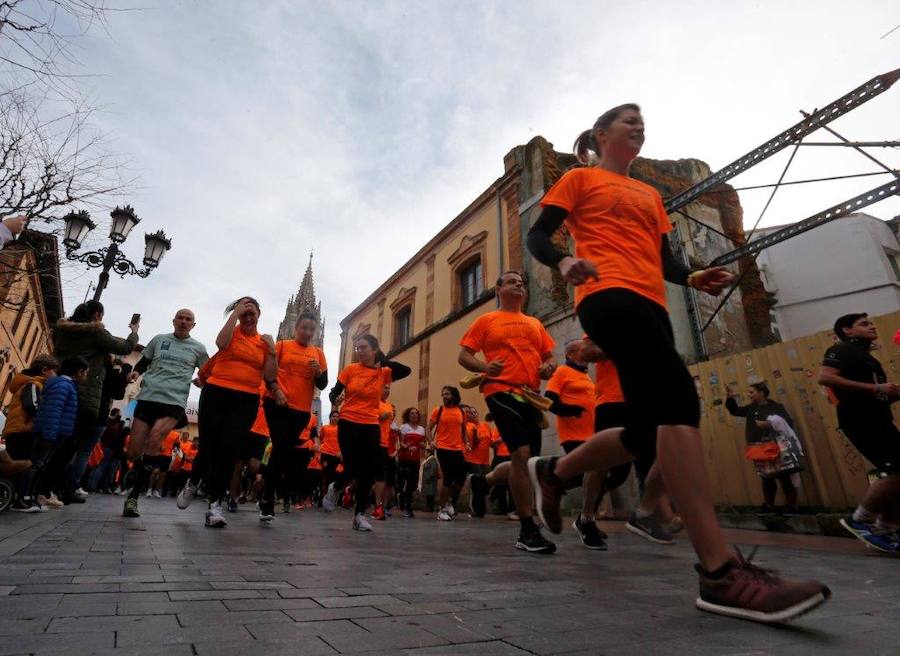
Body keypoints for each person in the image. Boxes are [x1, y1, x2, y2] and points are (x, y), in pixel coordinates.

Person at [525, 103, 829, 620]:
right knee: (679, 402)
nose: (640, 127)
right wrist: (565, 258)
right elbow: (538, 234)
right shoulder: (579, 179)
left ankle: (556, 472)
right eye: (628, 121)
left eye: (643, 122)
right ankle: (719, 571)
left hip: (652, 303)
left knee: (647, 433)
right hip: (606, 294)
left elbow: (665, 259)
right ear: (601, 135)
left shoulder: (651, 195)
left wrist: (691, 278)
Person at [460, 271, 558, 553]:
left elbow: (548, 356)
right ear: (498, 289)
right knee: (522, 455)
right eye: (512, 281)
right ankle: (527, 529)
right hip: (499, 391)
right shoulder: (487, 321)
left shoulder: (534, 323)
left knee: (526, 463)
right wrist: (484, 368)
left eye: (522, 282)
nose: (519, 284)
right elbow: (464, 355)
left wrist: (548, 367)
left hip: (530, 394)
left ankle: (483, 482)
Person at [179, 297, 276, 528]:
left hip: (246, 399)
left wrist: (272, 350)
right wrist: (234, 314)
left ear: (259, 314)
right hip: (216, 391)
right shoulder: (231, 332)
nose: (248, 314)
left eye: (252, 310)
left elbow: (271, 376)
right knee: (208, 447)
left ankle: (215, 505)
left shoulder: (263, 343)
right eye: (243, 309)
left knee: (229, 451)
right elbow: (221, 343)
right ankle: (193, 481)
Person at [819, 313, 900, 553]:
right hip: (861, 420)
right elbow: (825, 377)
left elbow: (876, 393)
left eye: (872, 322)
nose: (872, 326)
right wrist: (876, 388)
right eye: (864, 324)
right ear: (847, 331)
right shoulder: (842, 349)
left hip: (880, 419)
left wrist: (890, 394)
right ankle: (860, 519)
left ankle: (886, 529)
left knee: (898, 474)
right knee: (896, 469)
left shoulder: (869, 359)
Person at [122, 308, 208, 518]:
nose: (184, 322)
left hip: (174, 402)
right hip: (149, 397)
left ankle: (133, 496)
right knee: (133, 452)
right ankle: (137, 470)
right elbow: (144, 360)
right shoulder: (159, 340)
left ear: (193, 325)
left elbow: (208, 371)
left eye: (188, 319)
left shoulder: (198, 348)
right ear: (173, 321)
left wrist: (202, 380)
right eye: (181, 318)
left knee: (155, 440)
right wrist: (136, 372)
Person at [52, 301, 139, 505]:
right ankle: (58, 488)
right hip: (84, 393)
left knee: (55, 442)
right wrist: (134, 331)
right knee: (72, 447)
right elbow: (125, 347)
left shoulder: (63, 332)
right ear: (98, 315)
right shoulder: (95, 332)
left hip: (58, 384)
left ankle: (45, 487)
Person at [328, 333, 410, 531]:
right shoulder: (350, 370)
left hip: (370, 423)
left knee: (368, 470)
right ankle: (336, 487)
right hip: (348, 421)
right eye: (357, 348)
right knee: (351, 466)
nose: (359, 351)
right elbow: (333, 392)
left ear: (374, 349)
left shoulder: (383, 372)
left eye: (363, 347)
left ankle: (359, 515)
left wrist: (381, 361)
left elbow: (406, 370)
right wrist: (336, 399)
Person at [262, 311, 327, 521]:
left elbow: (323, 385)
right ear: (294, 327)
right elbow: (268, 372)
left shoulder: (317, 352)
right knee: (281, 448)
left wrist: (318, 373)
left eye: (311, 329)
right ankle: (268, 501)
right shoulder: (282, 346)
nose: (307, 332)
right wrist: (276, 390)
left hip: (301, 410)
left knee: (282, 452)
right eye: (304, 328)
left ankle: (268, 496)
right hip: (277, 403)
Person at [543, 339, 608, 549]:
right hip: (573, 434)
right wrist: (570, 411)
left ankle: (586, 518)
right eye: (583, 350)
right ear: (571, 354)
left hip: (592, 433)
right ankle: (551, 482)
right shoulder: (562, 372)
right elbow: (549, 400)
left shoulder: (585, 376)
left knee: (598, 476)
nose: (589, 353)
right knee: (589, 473)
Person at [726, 382, 804, 514]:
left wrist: (769, 424)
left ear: (762, 392)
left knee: (784, 475)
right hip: (758, 446)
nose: (749, 395)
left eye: (751, 392)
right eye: (748, 392)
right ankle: (768, 505)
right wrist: (730, 398)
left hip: (777, 445)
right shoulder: (751, 408)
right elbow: (735, 411)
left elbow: (787, 423)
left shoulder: (776, 407)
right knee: (766, 476)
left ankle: (791, 505)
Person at [29, 356, 89, 509]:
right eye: (85, 373)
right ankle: (30, 496)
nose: (86, 376)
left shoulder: (63, 384)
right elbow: (54, 411)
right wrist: (50, 435)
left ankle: (38, 494)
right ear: (80, 372)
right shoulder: (64, 385)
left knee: (41, 465)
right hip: (52, 434)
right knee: (39, 465)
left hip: (55, 433)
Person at [5, 355, 59, 512]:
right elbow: (32, 405)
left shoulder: (30, 383)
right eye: (54, 373)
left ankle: (14, 499)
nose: (55, 377)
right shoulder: (33, 384)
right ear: (45, 370)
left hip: (17, 429)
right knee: (21, 465)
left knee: (16, 465)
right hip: (22, 430)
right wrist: (40, 422)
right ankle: (19, 501)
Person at [427, 386, 467, 522]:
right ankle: (441, 509)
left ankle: (448, 501)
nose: (444, 396)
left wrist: (466, 443)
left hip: (458, 449)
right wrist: (431, 441)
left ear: (454, 395)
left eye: (447, 394)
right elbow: (428, 428)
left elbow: (464, 430)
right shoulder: (438, 411)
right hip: (443, 448)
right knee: (448, 478)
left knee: (461, 479)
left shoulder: (461, 411)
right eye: (443, 394)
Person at [373, 384, 396, 520]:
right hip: (372, 441)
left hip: (383, 444)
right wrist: (381, 417)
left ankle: (378, 506)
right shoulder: (373, 403)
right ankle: (349, 491)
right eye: (384, 388)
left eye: (388, 388)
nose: (386, 391)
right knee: (367, 474)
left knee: (381, 475)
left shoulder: (388, 406)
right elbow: (368, 419)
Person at [397, 407, 426, 517]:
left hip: (415, 460)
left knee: (412, 484)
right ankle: (403, 499)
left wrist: (423, 446)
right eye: (412, 413)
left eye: (416, 413)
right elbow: (401, 442)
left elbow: (423, 444)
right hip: (404, 458)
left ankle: (407, 503)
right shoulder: (404, 427)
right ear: (408, 416)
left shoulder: (421, 429)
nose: (414, 415)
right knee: (401, 482)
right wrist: (407, 447)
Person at [420, 447, 440, 512]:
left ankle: (429, 508)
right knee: (428, 495)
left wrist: (429, 477)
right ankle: (429, 507)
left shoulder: (433, 460)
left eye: (425, 452)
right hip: (428, 481)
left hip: (430, 481)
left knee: (430, 495)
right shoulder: (428, 460)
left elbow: (433, 470)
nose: (424, 454)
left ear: (429, 453)